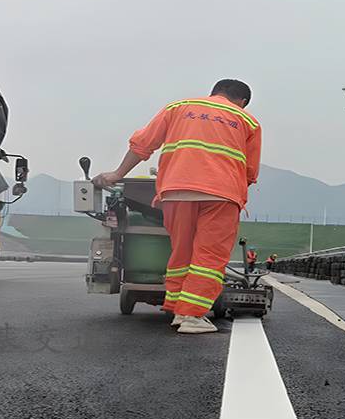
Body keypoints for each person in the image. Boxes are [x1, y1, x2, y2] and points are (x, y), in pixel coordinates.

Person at [93, 79, 261, 334]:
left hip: (175, 191)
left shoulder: (179, 107)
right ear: (243, 102)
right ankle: (191, 316)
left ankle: (176, 305)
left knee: (181, 251)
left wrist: (117, 174)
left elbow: (142, 144)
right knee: (209, 257)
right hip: (221, 195)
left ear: (213, 93)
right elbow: (249, 172)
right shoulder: (247, 121)